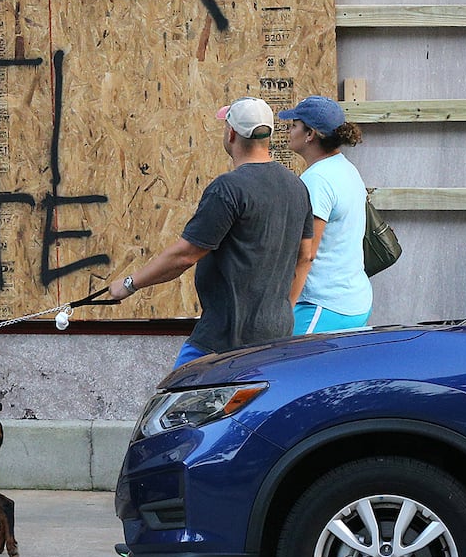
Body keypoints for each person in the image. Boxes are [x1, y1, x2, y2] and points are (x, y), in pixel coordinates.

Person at [108, 96, 314, 368]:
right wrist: (283, 309)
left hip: (223, 339)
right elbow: (305, 256)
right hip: (275, 336)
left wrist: (129, 284)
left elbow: (185, 256)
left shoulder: (229, 189)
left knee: (178, 404)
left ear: (231, 134)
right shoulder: (296, 186)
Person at [280, 95, 373, 333]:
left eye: (294, 126)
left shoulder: (317, 180)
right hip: (354, 301)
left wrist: (285, 309)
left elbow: (307, 254)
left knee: (287, 367)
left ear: (310, 134)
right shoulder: (347, 168)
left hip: (323, 306)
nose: (289, 132)